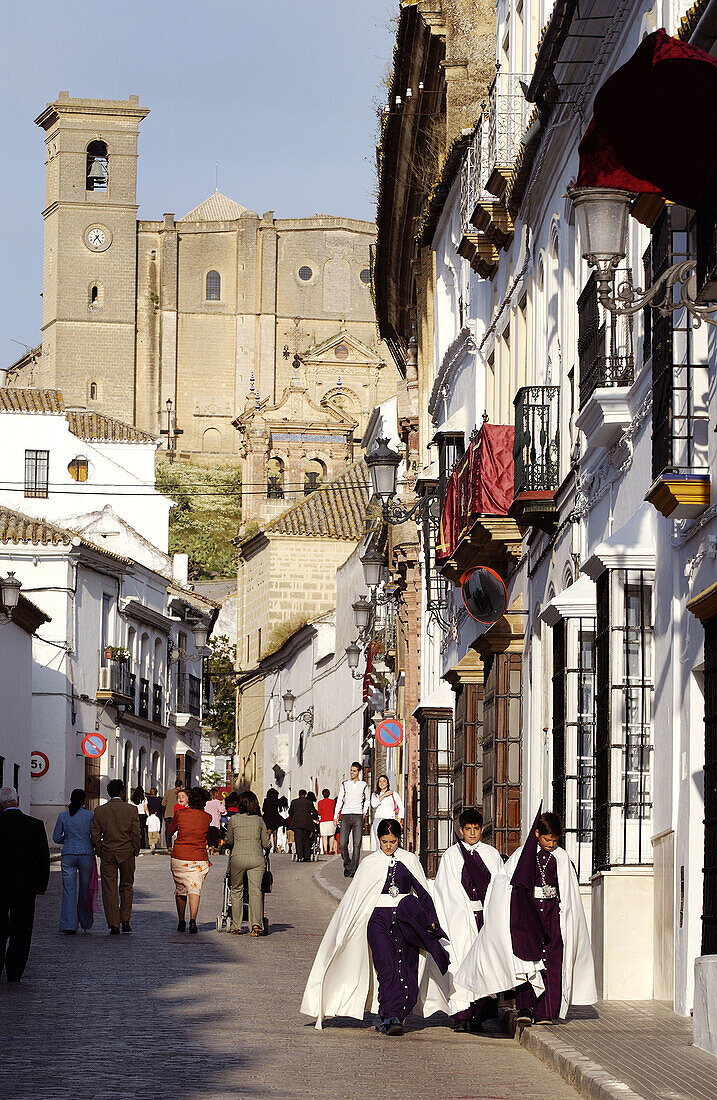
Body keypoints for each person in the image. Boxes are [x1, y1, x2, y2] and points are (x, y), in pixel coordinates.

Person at [301, 819, 449, 1035]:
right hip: (378, 921)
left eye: (393, 841)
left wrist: (431, 921)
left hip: (405, 923)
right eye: (384, 841)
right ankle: (390, 1017)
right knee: (387, 968)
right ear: (379, 839)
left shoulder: (409, 860)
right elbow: (356, 898)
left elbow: (424, 893)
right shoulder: (370, 864)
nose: (389, 846)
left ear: (400, 840)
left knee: (407, 970)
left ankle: (396, 1014)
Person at [456, 807, 597, 1024]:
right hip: (528, 914)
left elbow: (568, 891)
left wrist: (562, 914)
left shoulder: (561, 857)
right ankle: (525, 1009)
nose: (551, 844)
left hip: (551, 914)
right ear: (538, 835)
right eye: (547, 839)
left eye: (555, 840)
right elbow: (502, 880)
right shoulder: (522, 854)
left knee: (551, 959)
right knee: (525, 958)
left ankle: (546, 1012)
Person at [433, 807, 505, 1032]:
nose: (472, 833)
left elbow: (500, 886)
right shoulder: (451, 856)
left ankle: (479, 1015)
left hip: (485, 917)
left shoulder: (491, 855)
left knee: (485, 964)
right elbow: (445, 889)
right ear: (460, 830)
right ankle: (461, 1015)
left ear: (482, 830)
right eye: (468, 829)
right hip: (460, 919)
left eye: (476, 829)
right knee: (461, 963)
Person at [0, 786, 50, 982]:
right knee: (22, 929)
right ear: (18, 800)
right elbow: (43, 858)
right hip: (25, 886)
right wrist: (42, 884)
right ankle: (15, 970)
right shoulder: (34, 825)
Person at [91, 779, 141, 934]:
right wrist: (136, 849)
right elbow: (136, 833)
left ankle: (113, 923)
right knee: (127, 886)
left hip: (108, 852)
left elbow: (95, 834)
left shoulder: (100, 811)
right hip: (126, 852)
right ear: (121, 792)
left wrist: (100, 849)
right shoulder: (131, 810)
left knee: (109, 889)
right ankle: (125, 920)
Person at [224, 790, 271, 936]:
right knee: (255, 891)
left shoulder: (234, 820)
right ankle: (256, 925)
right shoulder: (259, 821)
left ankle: (237, 925)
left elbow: (229, 840)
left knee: (236, 889)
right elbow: (266, 844)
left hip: (238, 858)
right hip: (256, 859)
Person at [167, 786, 212, 933]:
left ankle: (181, 920)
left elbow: (170, 830)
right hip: (198, 857)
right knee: (195, 889)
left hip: (180, 856)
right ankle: (193, 920)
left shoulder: (180, 814)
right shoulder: (207, 817)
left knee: (180, 889)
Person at [52, 788, 96, 934]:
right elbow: (93, 836)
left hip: (68, 854)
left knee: (68, 890)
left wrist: (69, 839)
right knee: (84, 889)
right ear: (84, 801)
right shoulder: (90, 815)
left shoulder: (63, 815)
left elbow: (56, 837)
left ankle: (68, 924)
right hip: (86, 854)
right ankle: (84, 921)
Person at [334, 762, 369, 877]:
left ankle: (354, 869)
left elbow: (367, 800)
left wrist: (363, 813)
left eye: (354, 771)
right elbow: (340, 800)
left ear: (359, 772)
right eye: (351, 770)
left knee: (357, 844)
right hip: (345, 814)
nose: (352, 773)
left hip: (358, 815)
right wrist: (335, 816)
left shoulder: (364, 785)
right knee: (342, 843)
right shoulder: (345, 784)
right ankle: (347, 864)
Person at [370, 775, 404, 850]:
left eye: (384, 781)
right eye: (380, 781)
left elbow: (401, 807)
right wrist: (384, 795)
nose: (382, 783)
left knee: (390, 840)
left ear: (388, 783)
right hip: (378, 819)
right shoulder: (375, 795)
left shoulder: (393, 794)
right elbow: (374, 804)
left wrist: (398, 820)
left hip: (390, 819)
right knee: (379, 841)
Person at [288, 789, 318, 863]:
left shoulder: (294, 802)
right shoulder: (309, 802)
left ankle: (299, 856)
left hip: (297, 823)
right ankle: (306, 856)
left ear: (298, 795)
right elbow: (314, 812)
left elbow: (290, 812)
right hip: (306, 823)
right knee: (306, 840)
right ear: (305, 795)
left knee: (298, 840)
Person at [262, 788, 284, 853]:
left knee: (268, 833)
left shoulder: (266, 800)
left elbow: (263, 809)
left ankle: (268, 846)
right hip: (275, 817)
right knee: (275, 833)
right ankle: (275, 847)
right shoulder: (277, 800)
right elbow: (280, 809)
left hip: (268, 817)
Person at [204, 787, 224, 854]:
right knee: (214, 837)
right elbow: (222, 810)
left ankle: (207, 847)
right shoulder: (217, 802)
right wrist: (223, 805)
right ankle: (212, 849)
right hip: (215, 822)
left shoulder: (206, 802)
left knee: (208, 836)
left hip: (207, 822)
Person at [162, 780, 182, 846]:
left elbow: (163, 803)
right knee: (179, 831)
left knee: (168, 831)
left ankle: (169, 846)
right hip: (178, 815)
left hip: (168, 814)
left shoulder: (168, 792)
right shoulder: (182, 794)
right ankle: (178, 844)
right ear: (181, 786)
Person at [317, 789, 336, 855]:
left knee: (324, 836)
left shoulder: (320, 802)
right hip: (331, 820)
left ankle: (325, 850)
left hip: (323, 821)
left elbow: (319, 812)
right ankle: (330, 850)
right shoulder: (332, 802)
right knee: (332, 835)